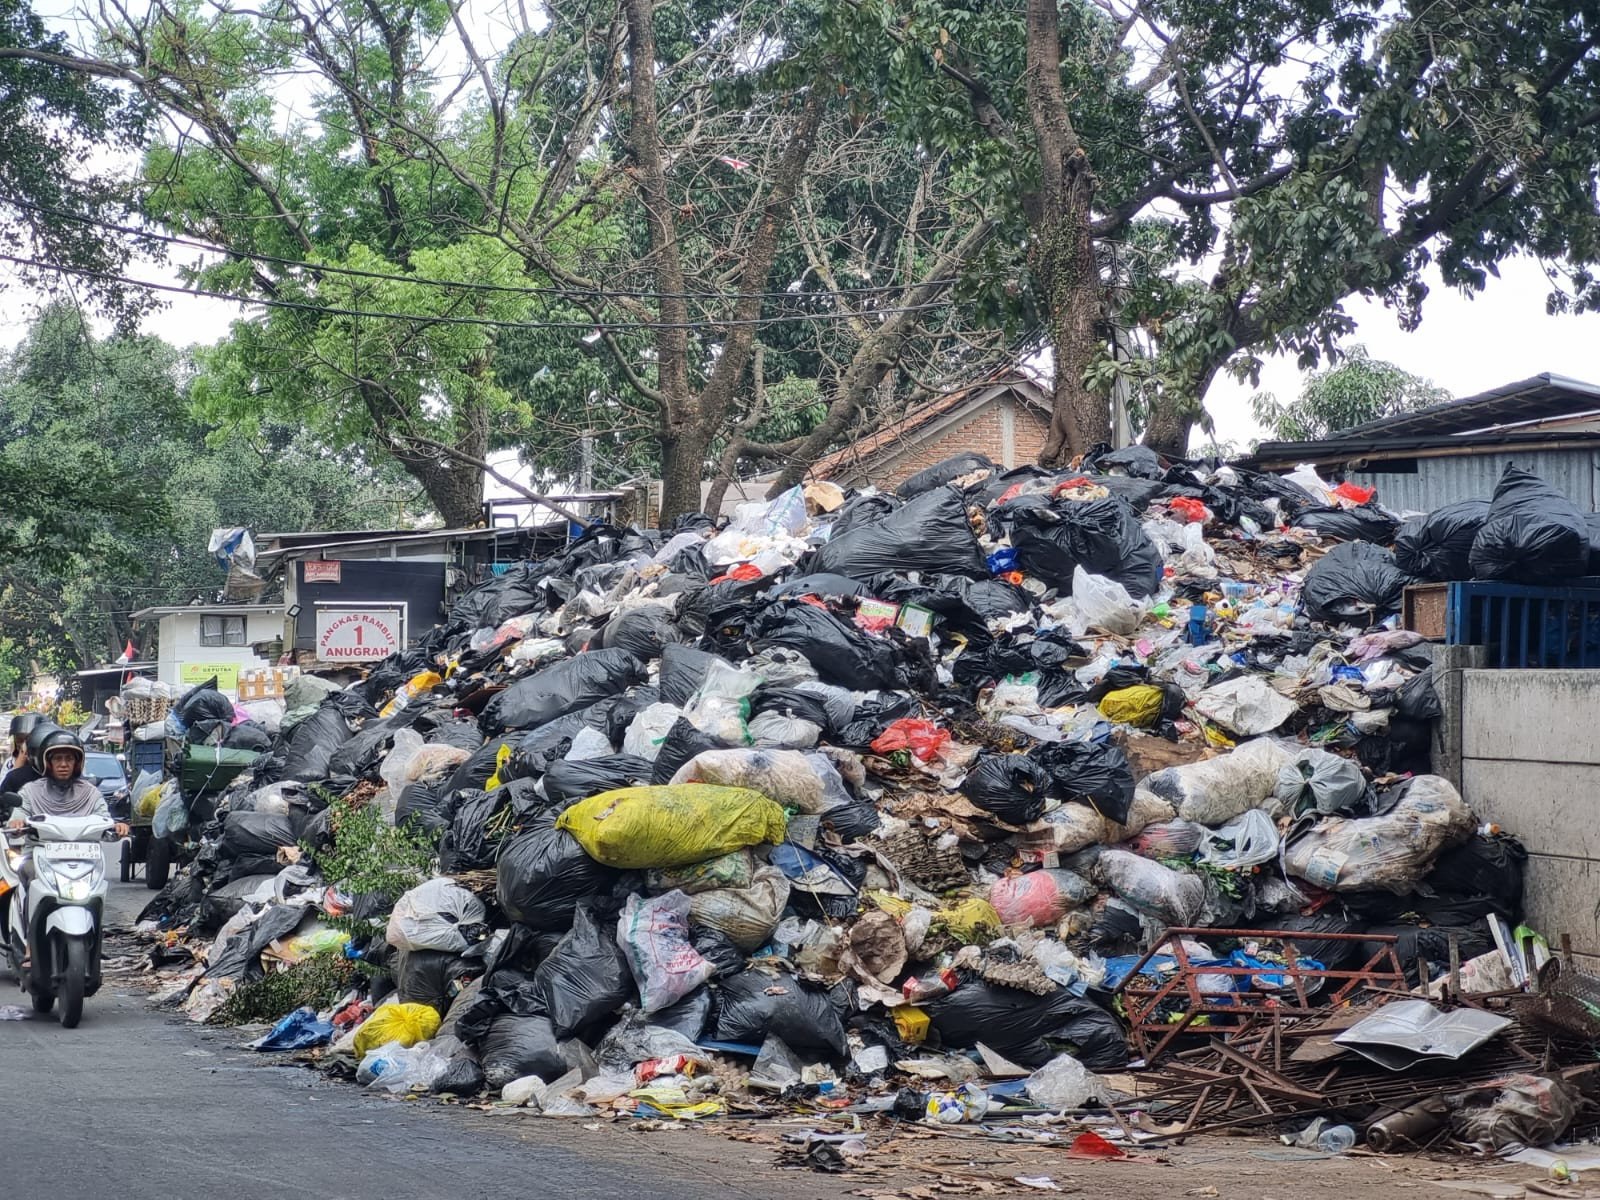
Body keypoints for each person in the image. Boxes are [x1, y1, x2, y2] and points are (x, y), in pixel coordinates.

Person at [7, 730, 127, 836]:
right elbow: (19, 815)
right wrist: (17, 822)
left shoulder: (90, 793)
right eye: (57, 758)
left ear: (77, 763)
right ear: (48, 763)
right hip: (38, 853)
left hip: (85, 855)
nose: (63, 764)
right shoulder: (30, 791)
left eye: (69, 759)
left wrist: (116, 827)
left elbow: (104, 818)